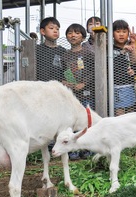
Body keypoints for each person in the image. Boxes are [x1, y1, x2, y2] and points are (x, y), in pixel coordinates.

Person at [63, 23, 95, 160]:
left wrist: (84, 83)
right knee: (72, 122)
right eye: (70, 33)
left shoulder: (89, 53)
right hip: (71, 95)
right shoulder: (65, 55)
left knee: (87, 120)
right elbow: (63, 72)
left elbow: (95, 71)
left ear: (83, 37)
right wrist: (67, 83)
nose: (73, 35)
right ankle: (73, 150)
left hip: (87, 93)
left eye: (77, 33)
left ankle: (87, 148)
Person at [112, 19, 136, 116]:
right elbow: (112, 65)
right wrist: (123, 51)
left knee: (131, 113)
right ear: (113, 34)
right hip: (116, 86)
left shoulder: (130, 46)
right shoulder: (109, 48)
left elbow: (134, 61)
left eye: (124, 32)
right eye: (118, 32)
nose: (121, 34)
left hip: (130, 85)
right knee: (120, 114)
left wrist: (133, 44)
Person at [36, 17, 66, 82]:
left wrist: (71, 82)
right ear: (43, 31)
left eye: (57, 29)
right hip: (40, 86)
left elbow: (67, 69)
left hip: (57, 87)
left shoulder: (63, 51)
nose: (55, 31)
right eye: (51, 28)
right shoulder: (37, 50)